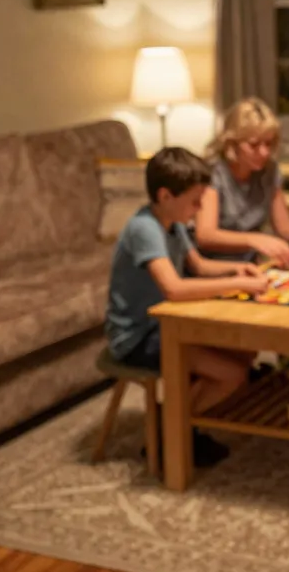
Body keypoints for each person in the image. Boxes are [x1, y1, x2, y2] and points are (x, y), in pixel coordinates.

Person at [106, 146, 270, 466]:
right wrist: (238, 285)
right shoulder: (144, 229)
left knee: (244, 351)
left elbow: (198, 265)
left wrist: (236, 269)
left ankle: (182, 425)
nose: (199, 209)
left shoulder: (174, 222)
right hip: (137, 338)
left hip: (167, 326)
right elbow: (174, 288)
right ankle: (170, 431)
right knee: (231, 374)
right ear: (166, 195)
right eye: (195, 201)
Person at [195, 97, 289, 267]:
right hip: (213, 268)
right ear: (233, 143)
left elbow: (284, 226)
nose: (264, 152)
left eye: (268, 144)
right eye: (254, 145)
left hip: (250, 265)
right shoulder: (213, 173)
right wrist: (254, 240)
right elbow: (205, 235)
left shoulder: (270, 170)